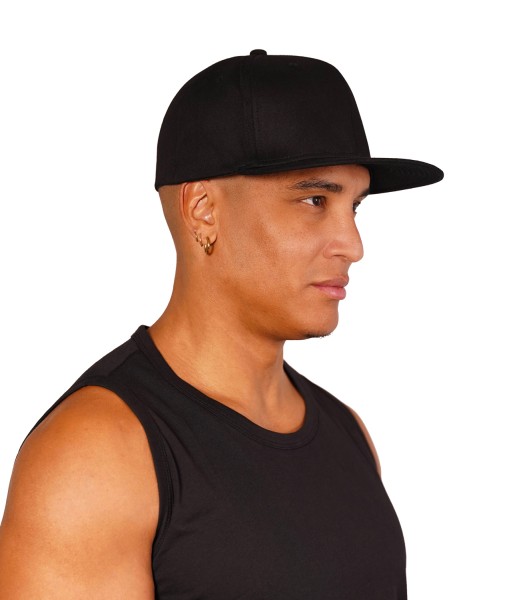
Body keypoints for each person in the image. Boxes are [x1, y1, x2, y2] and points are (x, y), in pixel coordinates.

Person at [0, 49, 443, 599]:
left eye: (354, 207)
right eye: (314, 200)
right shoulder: (96, 456)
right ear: (203, 210)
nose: (353, 245)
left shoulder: (348, 433)